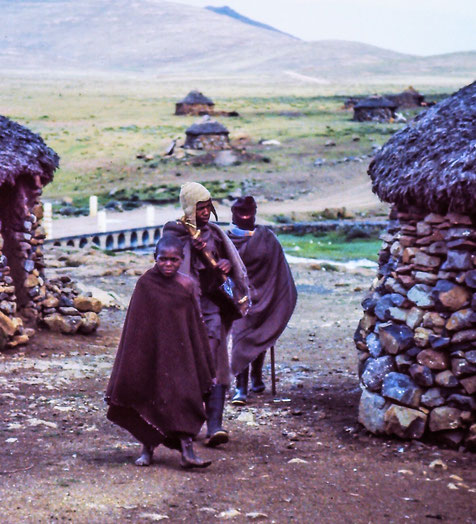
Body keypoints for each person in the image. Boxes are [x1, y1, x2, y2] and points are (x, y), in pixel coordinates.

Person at [105, 234, 215, 469]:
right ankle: (147, 449)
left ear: (181, 259)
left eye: (174, 260)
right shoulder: (146, 283)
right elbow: (137, 324)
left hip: (180, 354)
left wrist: (200, 353)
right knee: (149, 397)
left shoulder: (186, 285)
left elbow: (193, 321)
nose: (168, 264)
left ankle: (188, 451)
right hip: (151, 353)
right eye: (163, 259)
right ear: (155, 258)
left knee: (185, 396)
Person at [163, 182, 249, 447]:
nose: (204, 212)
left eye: (207, 207)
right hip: (182, 310)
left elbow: (230, 270)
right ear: (189, 207)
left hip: (211, 307)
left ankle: (214, 426)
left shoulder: (214, 234)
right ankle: (182, 426)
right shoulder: (174, 234)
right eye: (199, 207)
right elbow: (164, 265)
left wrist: (222, 264)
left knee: (215, 364)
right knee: (184, 366)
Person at [228, 196, 297, 405]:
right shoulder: (226, 239)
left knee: (262, 335)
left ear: (255, 212)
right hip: (239, 296)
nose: (245, 215)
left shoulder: (267, 237)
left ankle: (256, 378)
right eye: (240, 211)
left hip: (266, 293)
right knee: (241, 338)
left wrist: (276, 293)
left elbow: (279, 267)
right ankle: (241, 387)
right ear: (233, 213)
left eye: (249, 211)